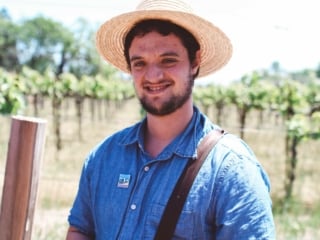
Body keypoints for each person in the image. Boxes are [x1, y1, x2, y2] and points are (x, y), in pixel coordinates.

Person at [66, 0, 275, 239]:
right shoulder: (102, 157)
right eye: (140, 63)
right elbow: (81, 229)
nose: (153, 75)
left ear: (194, 62)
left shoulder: (232, 170)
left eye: (168, 60)